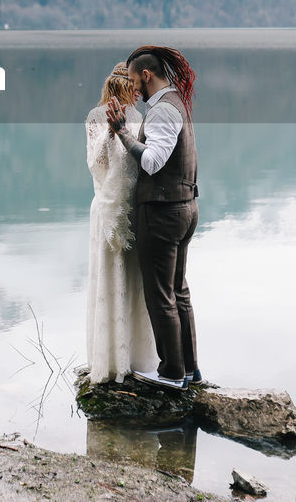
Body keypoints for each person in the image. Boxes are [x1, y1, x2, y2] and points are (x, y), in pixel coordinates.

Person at [106, 45, 200, 390]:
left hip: (162, 212)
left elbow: (152, 161)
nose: (132, 89)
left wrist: (122, 132)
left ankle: (172, 374)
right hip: (185, 206)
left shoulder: (162, 111)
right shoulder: (178, 104)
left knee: (160, 295)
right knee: (179, 291)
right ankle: (190, 370)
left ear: (147, 75)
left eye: (134, 80)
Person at [85, 63, 157, 383]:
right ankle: (111, 360)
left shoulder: (138, 119)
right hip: (106, 207)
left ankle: (134, 359)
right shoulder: (95, 118)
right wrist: (112, 133)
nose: (135, 97)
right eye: (130, 90)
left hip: (130, 206)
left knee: (132, 280)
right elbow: (96, 164)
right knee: (110, 278)